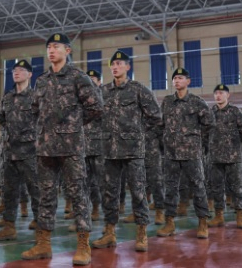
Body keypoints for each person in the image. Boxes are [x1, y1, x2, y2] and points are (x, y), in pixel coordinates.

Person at [20, 33, 103, 265]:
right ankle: (43, 244)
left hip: (70, 147)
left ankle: (83, 244)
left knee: (77, 194)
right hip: (45, 148)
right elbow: (35, 109)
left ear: (67, 50)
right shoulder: (42, 80)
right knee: (45, 196)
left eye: (56, 46)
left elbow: (96, 107)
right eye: (48, 47)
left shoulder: (78, 77)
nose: (51, 50)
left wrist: (73, 125)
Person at [91, 50, 161, 252]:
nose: (115, 67)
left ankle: (141, 233)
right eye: (113, 64)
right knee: (109, 194)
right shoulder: (102, 91)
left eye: (120, 64)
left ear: (128, 67)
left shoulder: (138, 89)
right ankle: (109, 232)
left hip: (132, 151)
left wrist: (139, 134)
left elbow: (156, 117)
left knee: (138, 193)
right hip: (109, 151)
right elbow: (93, 116)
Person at [156, 67, 213, 239]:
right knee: (171, 188)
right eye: (174, 78)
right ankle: (169, 223)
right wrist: (164, 143)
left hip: (191, 153)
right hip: (171, 154)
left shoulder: (196, 101)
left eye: (180, 78)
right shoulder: (166, 101)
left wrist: (197, 141)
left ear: (188, 81)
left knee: (198, 187)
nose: (177, 81)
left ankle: (203, 223)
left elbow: (209, 123)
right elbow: (160, 125)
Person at [0, 59, 41, 242]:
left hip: (30, 152)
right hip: (10, 151)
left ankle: (41, 227)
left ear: (29, 74)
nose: (16, 72)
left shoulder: (37, 97)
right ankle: (9, 226)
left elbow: (44, 120)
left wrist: (36, 139)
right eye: (14, 70)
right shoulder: (7, 98)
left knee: (36, 190)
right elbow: (2, 119)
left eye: (21, 70)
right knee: (9, 191)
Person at [208, 84, 242, 229]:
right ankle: (219, 216)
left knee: (237, 187)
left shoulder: (235, 111)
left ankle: (239, 216)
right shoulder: (211, 112)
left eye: (221, 93)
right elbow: (204, 131)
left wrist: (235, 144)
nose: (218, 96)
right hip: (215, 157)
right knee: (217, 187)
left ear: (228, 95)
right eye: (216, 93)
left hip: (233, 157)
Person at [84, 69, 105, 225]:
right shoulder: (81, 99)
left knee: (103, 181)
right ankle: (88, 210)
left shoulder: (104, 96)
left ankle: (107, 211)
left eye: (93, 79)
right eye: (88, 79)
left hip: (100, 146)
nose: (90, 82)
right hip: (83, 147)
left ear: (99, 81)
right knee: (84, 182)